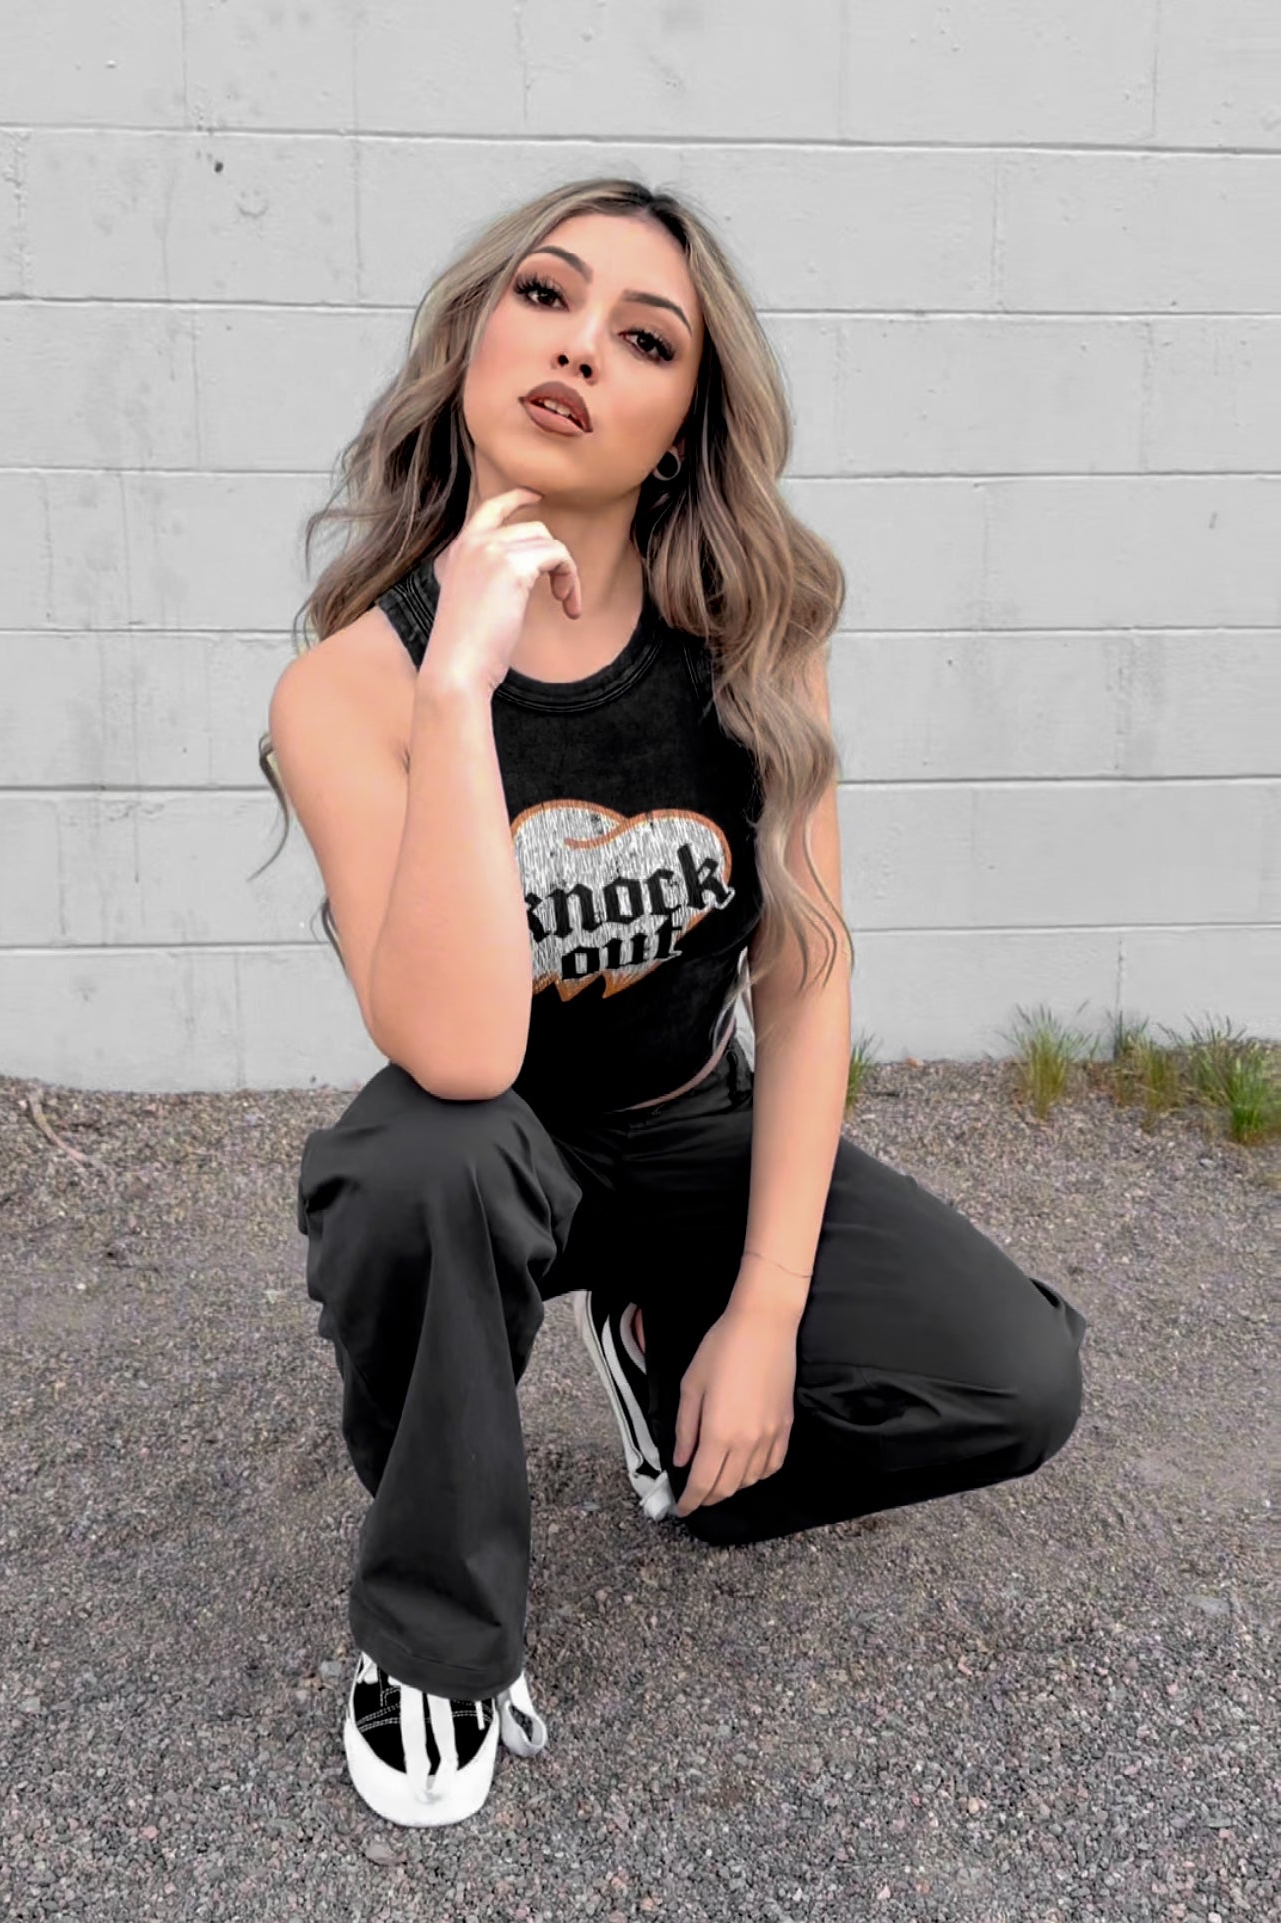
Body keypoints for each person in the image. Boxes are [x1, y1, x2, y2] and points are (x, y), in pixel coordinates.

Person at [259, 177, 1088, 1830]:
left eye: (644, 340)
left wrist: (761, 1318)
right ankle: (435, 1643)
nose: (579, 348)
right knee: (416, 1166)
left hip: (683, 1125)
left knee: (1012, 1379)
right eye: (544, 298)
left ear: (678, 433)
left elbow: (806, 969)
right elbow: (460, 1051)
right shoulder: (350, 687)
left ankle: (664, 1369)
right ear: (473, 342)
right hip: (492, 1150)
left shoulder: (748, 645)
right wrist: (460, 684)